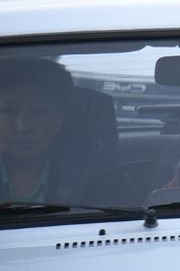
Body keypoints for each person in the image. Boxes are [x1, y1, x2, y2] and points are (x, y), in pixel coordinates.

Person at [0, 57, 115, 203]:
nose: (22, 127)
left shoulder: (94, 171)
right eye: (8, 111)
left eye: (37, 112)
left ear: (59, 119)